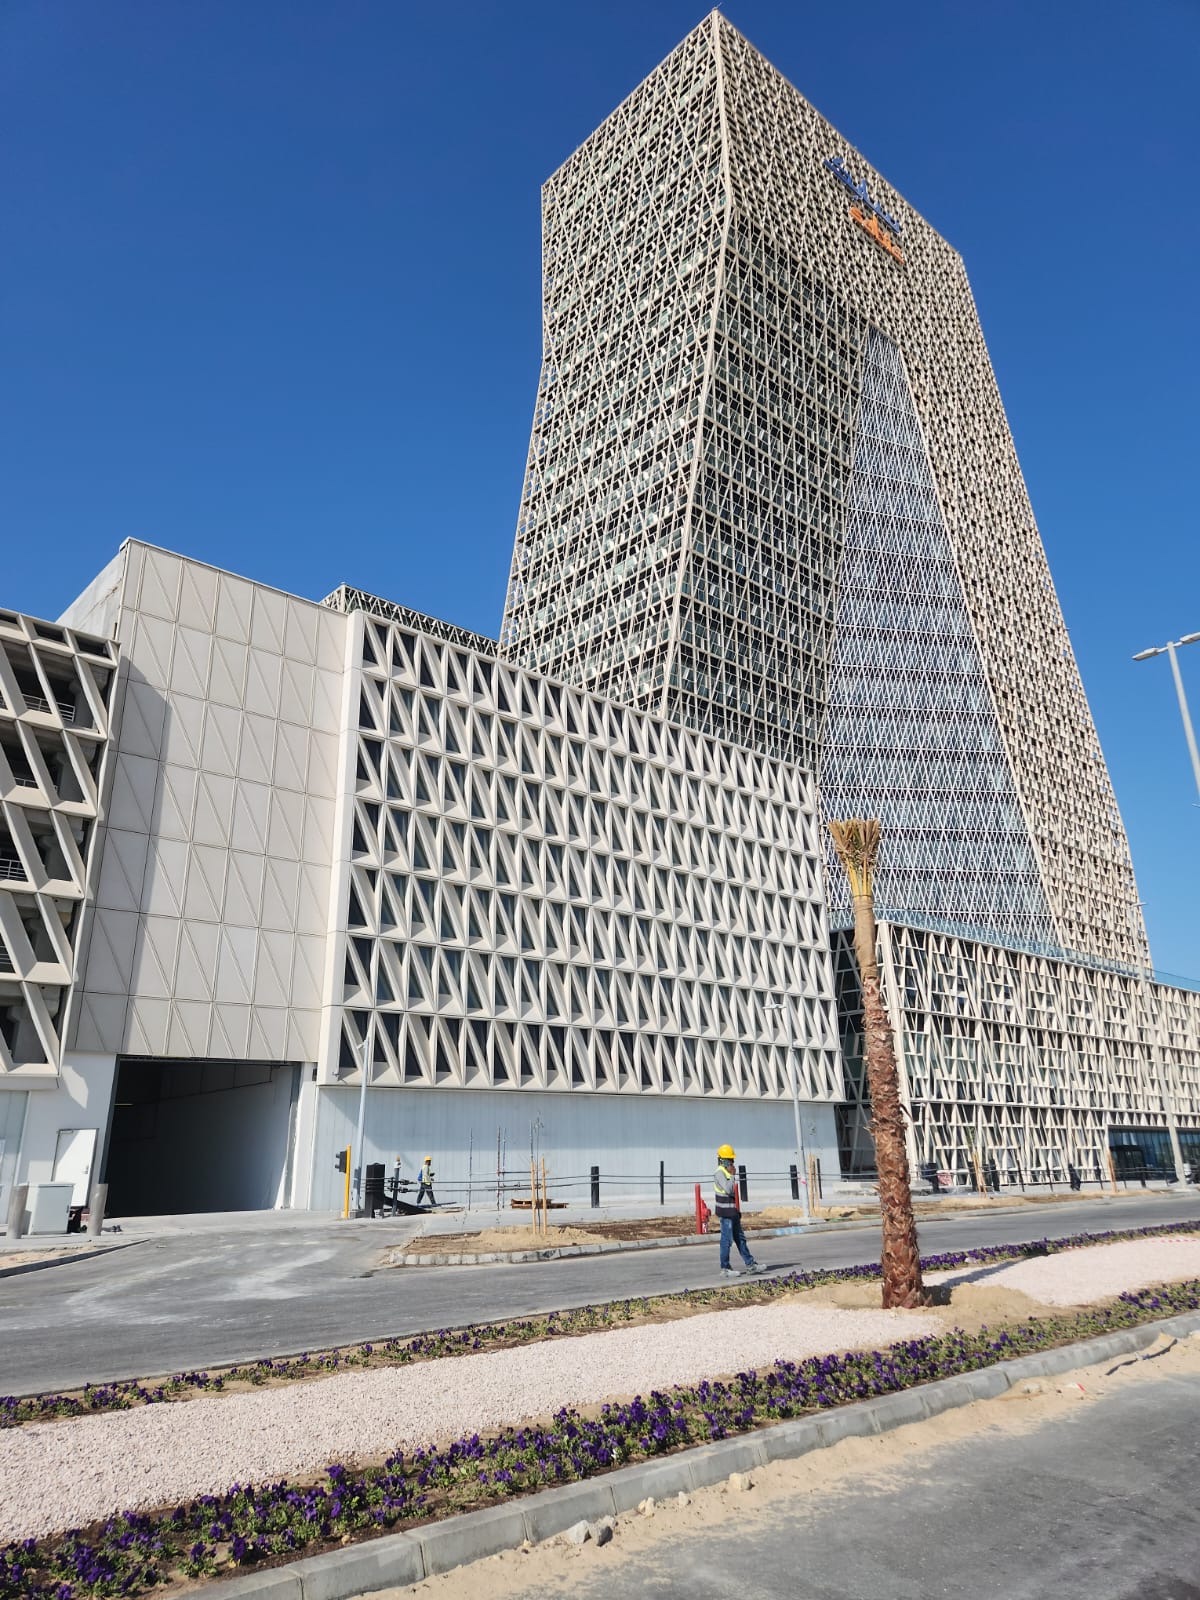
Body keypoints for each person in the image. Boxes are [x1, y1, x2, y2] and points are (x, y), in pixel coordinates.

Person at [714, 1144, 764, 1277]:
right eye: (729, 1160)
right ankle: (725, 1268)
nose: (732, 1162)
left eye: (732, 1160)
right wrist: (732, 1175)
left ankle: (750, 1264)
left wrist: (736, 1212)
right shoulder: (720, 1172)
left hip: (732, 1212)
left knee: (740, 1239)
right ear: (723, 1160)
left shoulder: (726, 1172)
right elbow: (729, 1189)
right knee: (726, 1241)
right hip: (725, 1213)